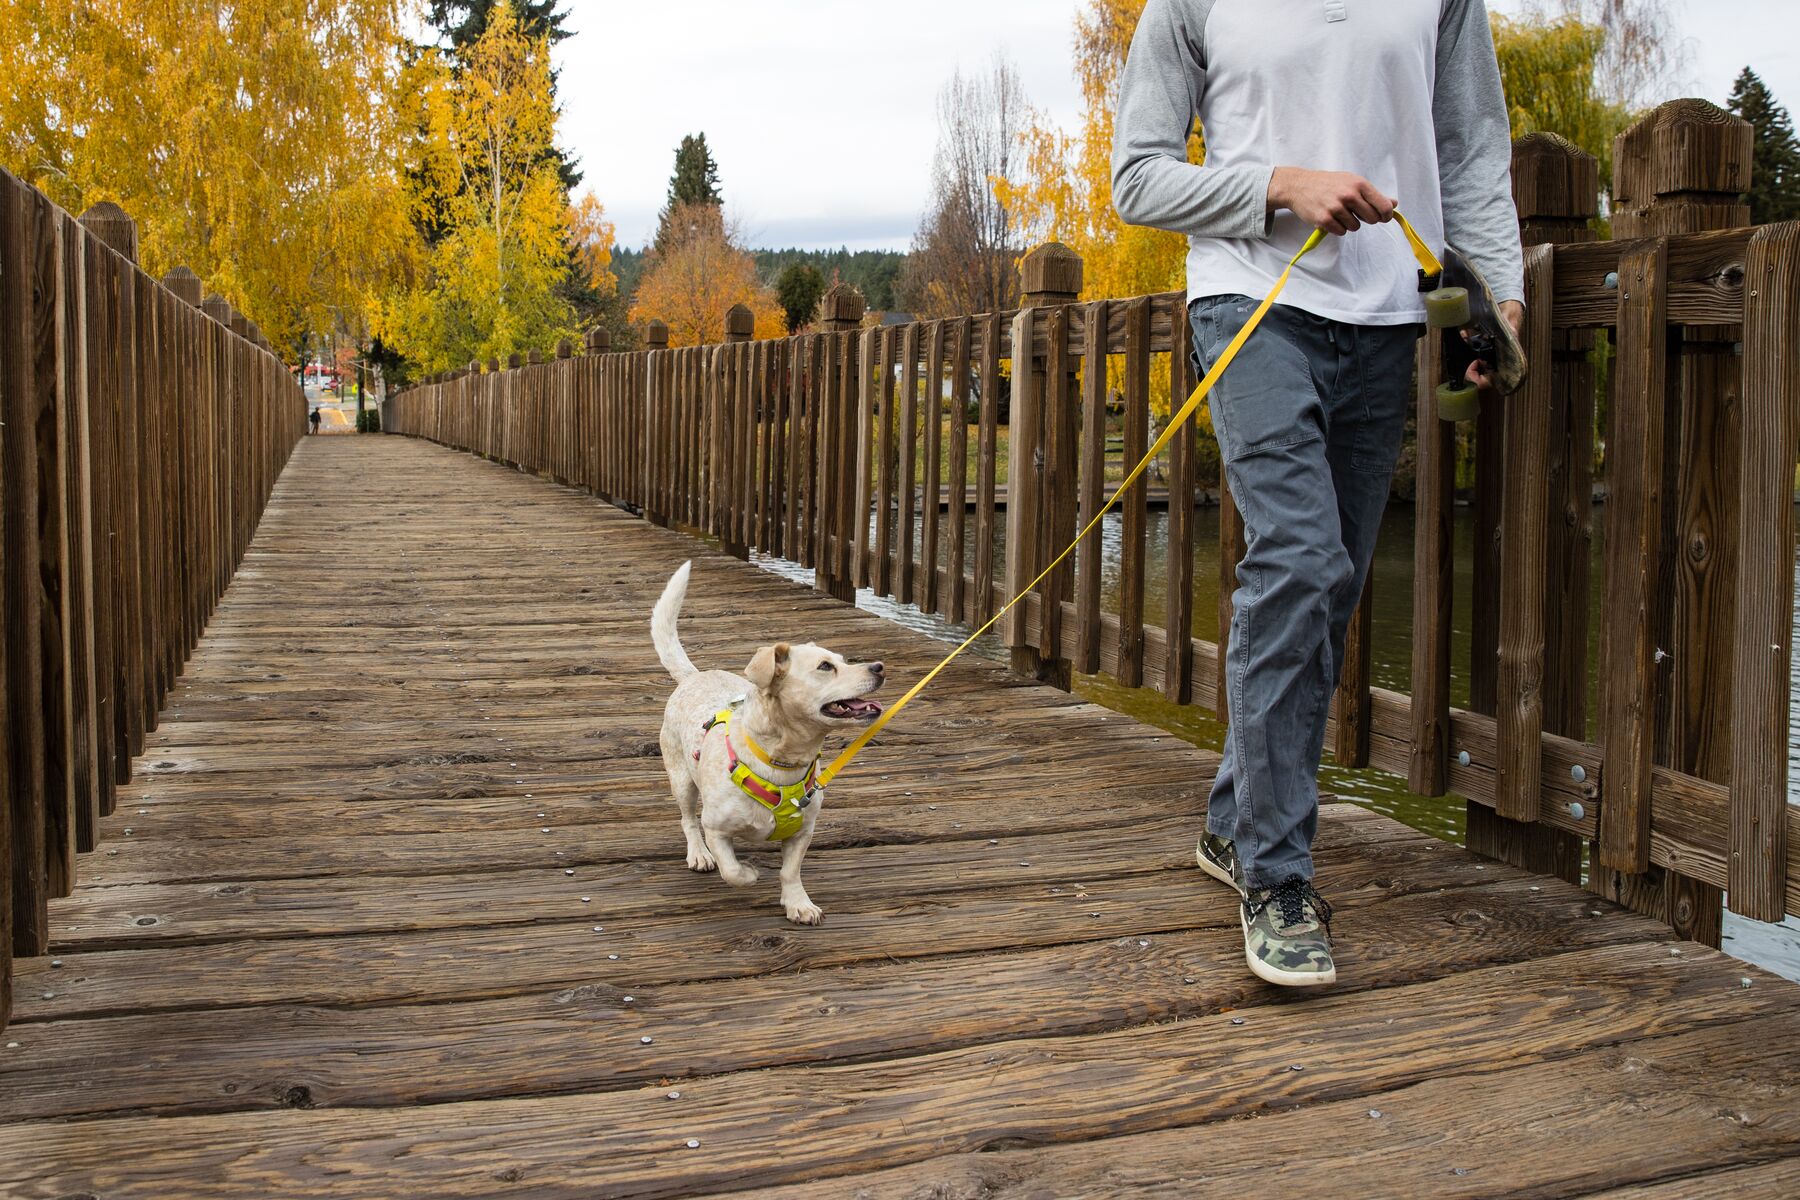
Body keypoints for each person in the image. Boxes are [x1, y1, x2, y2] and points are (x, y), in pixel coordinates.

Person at [1112, 0, 1524, 987]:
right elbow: (1137, 177)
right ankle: (1277, 874)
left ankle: (1229, 824)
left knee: (1325, 589)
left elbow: (1469, 143)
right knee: (1298, 557)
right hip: (1251, 297)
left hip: (1386, 317)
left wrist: (1497, 290)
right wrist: (1278, 186)